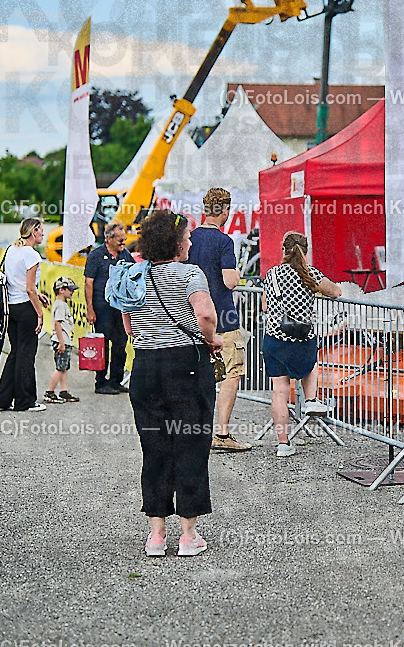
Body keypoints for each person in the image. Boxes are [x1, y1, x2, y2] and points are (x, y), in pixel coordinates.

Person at [123, 210, 220, 558]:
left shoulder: (135, 274)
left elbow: (130, 327)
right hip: (186, 365)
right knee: (190, 446)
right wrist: (211, 337)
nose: (191, 242)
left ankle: (156, 535)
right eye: (188, 237)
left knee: (155, 447)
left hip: (146, 366)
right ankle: (188, 536)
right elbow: (206, 314)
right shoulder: (190, 274)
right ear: (177, 243)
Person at [262, 232, 342, 458]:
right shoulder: (310, 273)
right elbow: (336, 291)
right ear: (306, 251)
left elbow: (266, 307)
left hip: (274, 339)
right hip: (301, 338)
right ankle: (311, 400)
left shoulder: (272, 274)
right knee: (311, 361)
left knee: (279, 392)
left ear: (283, 250)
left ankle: (283, 444)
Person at [187, 187, 252, 453]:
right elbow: (229, 281)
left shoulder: (189, 238)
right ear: (225, 211)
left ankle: (193, 431)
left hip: (192, 317)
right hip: (222, 317)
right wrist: (236, 272)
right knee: (232, 373)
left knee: (196, 375)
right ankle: (222, 433)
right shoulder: (224, 242)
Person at [0, 217, 49, 413]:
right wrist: (39, 314)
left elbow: (17, 282)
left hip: (10, 308)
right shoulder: (32, 255)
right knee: (26, 355)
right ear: (33, 232)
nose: (43, 233)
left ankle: (2, 399)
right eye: (41, 230)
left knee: (16, 352)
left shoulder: (11, 250)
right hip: (25, 309)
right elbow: (30, 289)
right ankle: (25, 401)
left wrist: (36, 294)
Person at [83, 222, 134, 394]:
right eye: (120, 240)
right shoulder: (96, 255)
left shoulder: (126, 254)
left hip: (120, 308)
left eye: (124, 240)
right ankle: (100, 382)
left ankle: (116, 380)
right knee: (102, 343)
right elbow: (88, 282)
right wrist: (90, 308)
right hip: (102, 307)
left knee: (120, 343)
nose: (123, 243)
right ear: (109, 239)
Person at [44, 276, 80, 404]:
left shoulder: (62, 304)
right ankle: (50, 392)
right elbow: (57, 324)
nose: (72, 292)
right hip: (62, 341)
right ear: (61, 290)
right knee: (60, 367)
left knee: (64, 367)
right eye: (70, 289)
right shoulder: (60, 306)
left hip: (65, 340)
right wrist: (61, 342)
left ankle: (63, 391)